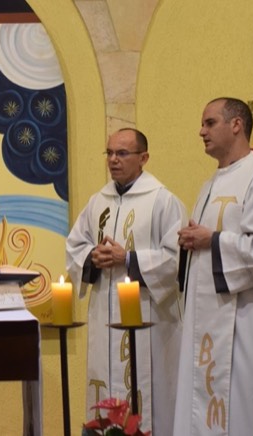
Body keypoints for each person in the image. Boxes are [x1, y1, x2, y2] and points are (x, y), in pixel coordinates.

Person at [175, 97, 253, 435]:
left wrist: (211, 241)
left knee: (248, 418)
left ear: (236, 125)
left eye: (209, 122)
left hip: (249, 328)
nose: (201, 131)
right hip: (209, 331)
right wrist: (190, 242)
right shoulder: (210, 184)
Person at [66, 128, 186, 434]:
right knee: (104, 395)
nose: (113, 160)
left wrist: (129, 259)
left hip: (150, 322)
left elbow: (175, 260)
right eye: (109, 153)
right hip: (104, 317)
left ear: (143, 158)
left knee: (147, 402)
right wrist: (92, 257)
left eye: (122, 153)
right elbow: (74, 246)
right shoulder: (97, 202)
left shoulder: (163, 201)